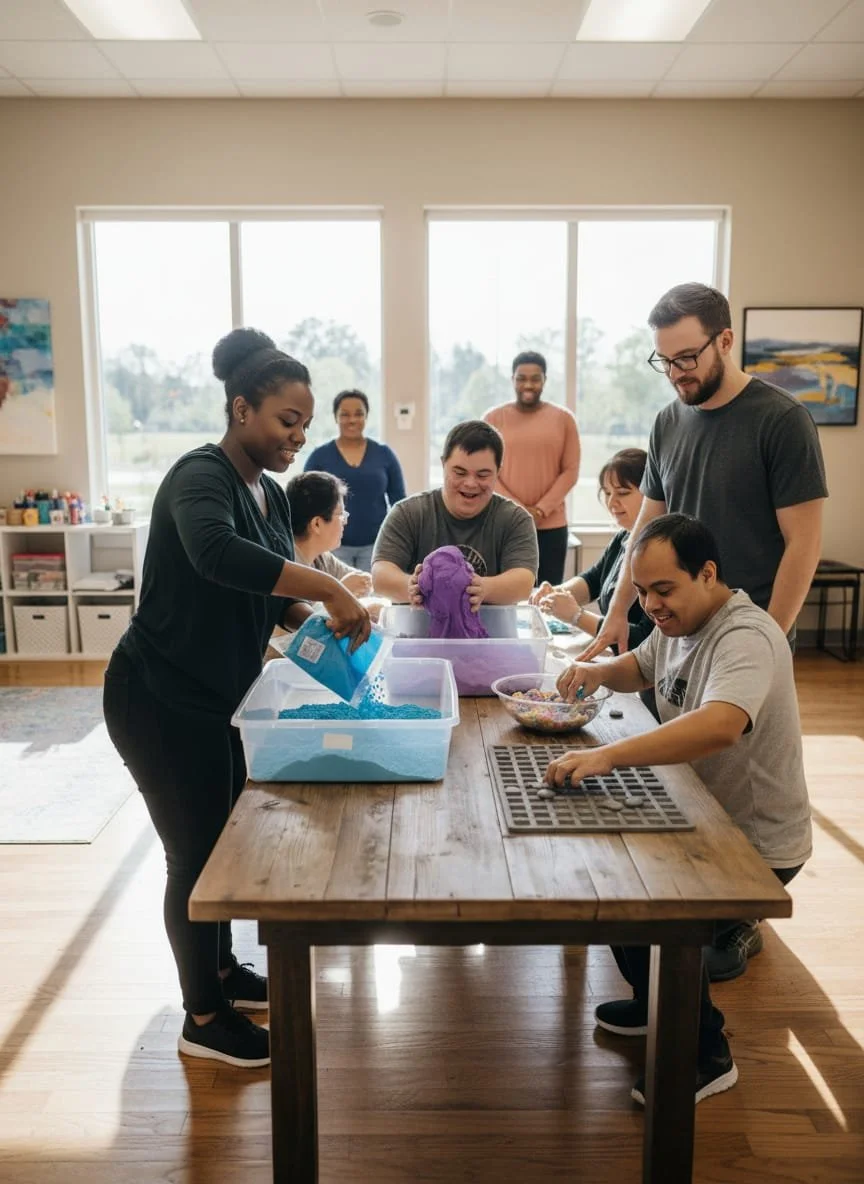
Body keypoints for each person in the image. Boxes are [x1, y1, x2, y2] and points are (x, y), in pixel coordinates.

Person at [102, 328, 370, 1071]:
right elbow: (219, 557)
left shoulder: (271, 493)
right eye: (287, 420)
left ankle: (220, 969)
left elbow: (271, 595)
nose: (297, 437)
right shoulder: (202, 477)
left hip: (217, 695)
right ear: (242, 407)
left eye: (304, 425)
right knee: (192, 856)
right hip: (155, 696)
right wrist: (328, 586)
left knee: (220, 842)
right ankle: (203, 1016)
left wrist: (328, 632)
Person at [546, 514, 811, 1103]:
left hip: (753, 840)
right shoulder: (677, 619)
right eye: (641, 591)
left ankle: (706, 1053)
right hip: (698, 811)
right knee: (612, 882)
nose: (651, 604)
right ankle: (656, 1003)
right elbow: (638, 668)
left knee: (644, 910)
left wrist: (610, 757)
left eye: (662, 590)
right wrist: (593, 673)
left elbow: (720, 725)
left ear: (707, 574)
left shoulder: (746, 636)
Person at [581, 283, 828, 666]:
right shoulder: (667, 421)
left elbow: (804, 545)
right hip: (675, 632)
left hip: (748, 633)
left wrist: (771, 638)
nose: (675, 373)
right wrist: (616, 612)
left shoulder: (782, 420)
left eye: (686, 358)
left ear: (725, 341)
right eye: (664, 361)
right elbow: (646, 526)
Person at [372, 419, 538, 608]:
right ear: (443, 464)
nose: (470, 483)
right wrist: (412, 586)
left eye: (483, 475)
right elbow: (380, 575)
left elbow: (523, 582)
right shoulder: (408, 513)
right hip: (418, 634)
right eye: (459, 472)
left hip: (493, 635)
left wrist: (482, 588)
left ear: (498, 472)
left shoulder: (515, 520)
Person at [529, 448, 653, 649]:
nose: (612, 502)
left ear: (651, 494)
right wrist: (555, 594)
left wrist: (576, 616)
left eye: (622, 493)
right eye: (607, 493)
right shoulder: (624, 537)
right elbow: (593, 580)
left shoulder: (659, 553)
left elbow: (644, 640)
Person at [483, 351, 580, 586]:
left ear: (544, 380)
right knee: (503, 594)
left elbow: (570, 471)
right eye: (521, 378)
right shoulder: (492, 418)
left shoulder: (564, 419)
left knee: (547, 595)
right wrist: (520, 509)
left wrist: (541, 510)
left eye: (535, 378)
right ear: (512, 379)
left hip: (551, 526)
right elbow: (485, 471)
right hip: (504, 521)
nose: (528, 384)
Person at [303, 388, 406, 571]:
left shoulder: (384, 454)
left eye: (359, 414)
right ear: (336, 417)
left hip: (376, 546)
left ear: (366, 416)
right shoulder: (319, 456)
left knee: (374, 598)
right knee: (335, 597)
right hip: (331, 547)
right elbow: (305, 504)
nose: (352, 420)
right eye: (345, 414)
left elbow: (400, 502)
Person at [285, 470, 372, 599]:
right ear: (317, 524)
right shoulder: (289, 568)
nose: (346, 521)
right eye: (341, 515)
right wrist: (340, 592)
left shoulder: (321, 558)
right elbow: (305, 617)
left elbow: (362, 581)